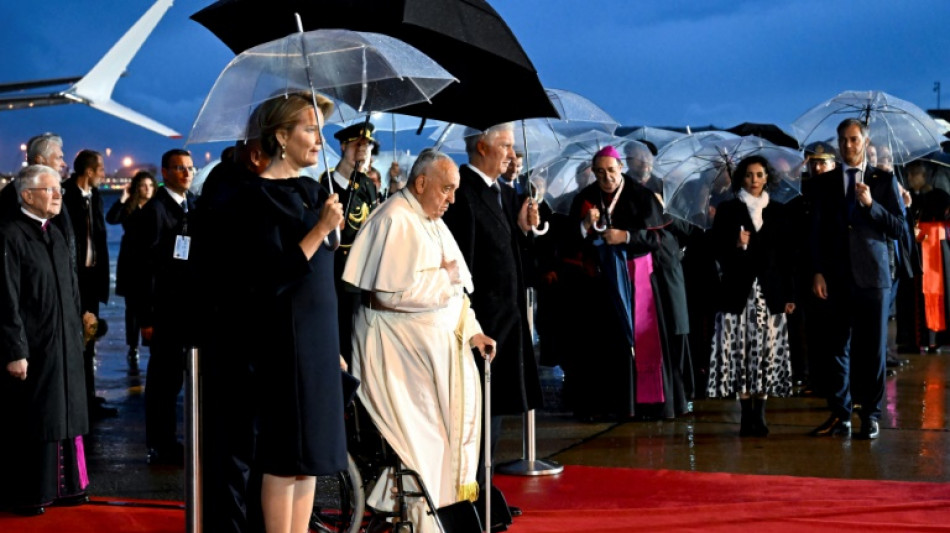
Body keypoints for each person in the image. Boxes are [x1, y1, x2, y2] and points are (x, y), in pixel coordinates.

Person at [212, 92, 346, 533]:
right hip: (284, 343)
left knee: (311, 461)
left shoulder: (312, 191)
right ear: (280, 137)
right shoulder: (256, 198)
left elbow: (325, 280)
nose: (318, 138)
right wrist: (320, 231)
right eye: (309, 129)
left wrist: (336, 346)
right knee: (284, 456)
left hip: (319, 342)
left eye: (319, 129)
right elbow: (267, 280)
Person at [343, 150, 495, 533]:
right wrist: (443, 278)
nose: (452, 199)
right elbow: (390, 294)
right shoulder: (395, 218)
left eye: (455, 190)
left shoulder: (430, 217)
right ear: (421, 183)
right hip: (394, 356)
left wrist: (474, 329)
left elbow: (458, 285)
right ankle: (421, 518)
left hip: (428, 355)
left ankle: (437, 513)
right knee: (424, 440)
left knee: (439, 439)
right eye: (447, 189)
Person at [442, 122, 542, 529]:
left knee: (494, 418)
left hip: (506, 325)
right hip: (481, 328)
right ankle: (472, 501)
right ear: (482, 147)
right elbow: (461, 268)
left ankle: (485, 495)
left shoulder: (501, 192)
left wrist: (524, 230)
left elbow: (518, 260)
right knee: (476, 423)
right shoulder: (464, 193)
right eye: (505, 146)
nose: (512, 155)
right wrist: (471, 325)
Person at [809, 118, 907, 440]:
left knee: (873, 350)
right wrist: (819, 271)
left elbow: (898, 228)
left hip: (874, 278)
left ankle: (871, 415)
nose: (848, 146)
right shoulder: (825, 183)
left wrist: (871, 205)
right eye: (843, 141)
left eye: (853, 140)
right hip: (836, 277)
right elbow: (819, 232)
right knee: (836, 347)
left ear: (864, 141)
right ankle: (841, 413)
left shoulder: (883, 180)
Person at [0, 165, 89, 516]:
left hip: (64, 341)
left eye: (59, 189)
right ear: (27, 195)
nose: (58, 195)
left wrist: (79, 328)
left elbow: (71, 286)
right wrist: (15, 350)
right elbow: (5, 299)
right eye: (50, 189)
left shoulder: (54, 232)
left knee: (68, 412)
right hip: (35, 346)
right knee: (38, 417)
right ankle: (32, 491)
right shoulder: (9, 235)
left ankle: (68, 487)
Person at [707, 155, 796, 436]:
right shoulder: (728, 210)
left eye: (759, 174)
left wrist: (789, 295)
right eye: (748, 175)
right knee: (740, 354)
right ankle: (746, 416)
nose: (754, 180)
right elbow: (716, 253)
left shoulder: (780, 211)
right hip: (738, 293)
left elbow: (787, 258)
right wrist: (736, 244)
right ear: (740, 178)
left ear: (767, 177)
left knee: (768, 353)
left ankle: (761, 414)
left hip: (770, 294)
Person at [134, 149, 197, 465]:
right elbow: (144, 269)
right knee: (163, 382)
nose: (187, 173)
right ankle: (161, 444)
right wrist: (146, 317)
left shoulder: (192, 206)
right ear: (165, 172)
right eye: (179, 168)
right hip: (164, 312)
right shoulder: (155, 211)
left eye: (190, 168)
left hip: (189, 310)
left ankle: (177, 440)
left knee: (184, 380)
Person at [62, 150, 116, 420]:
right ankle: (76, 400)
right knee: (74, 339)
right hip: (74, 280)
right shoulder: (65, 195)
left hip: (92, 280)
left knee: (90, 337)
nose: (104, 173)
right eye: (101, 168)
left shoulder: (94, 198)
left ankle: (88, 399)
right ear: (89, 171)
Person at [320, 122, 379, 369]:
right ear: (344, 146)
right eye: (357, 145)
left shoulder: (366, 185)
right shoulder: (327, 183)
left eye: (366, 146)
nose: (363, 151)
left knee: (357, 336)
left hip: (358, 272)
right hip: (334, 270)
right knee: (337, 332)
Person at [106, 171, 157, 370]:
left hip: (151, 261)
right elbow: (112, 218)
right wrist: (123, 198)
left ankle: (150, 344)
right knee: (132, 307)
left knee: (151, 306)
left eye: (150, 185)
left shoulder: (156, 207)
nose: (147, 189)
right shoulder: (131, 206)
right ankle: (132, 346)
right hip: (131, 261)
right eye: (143, 185)